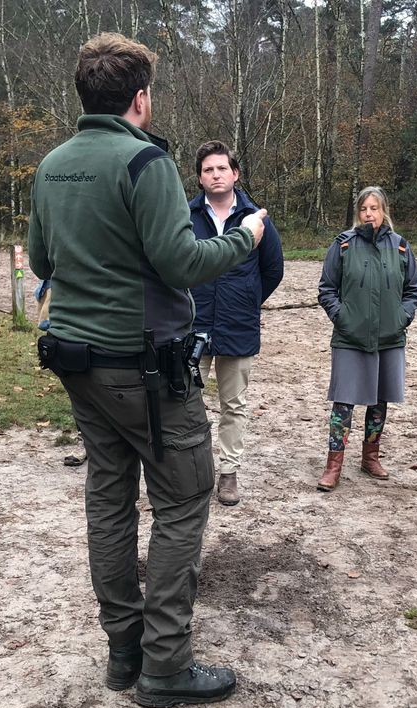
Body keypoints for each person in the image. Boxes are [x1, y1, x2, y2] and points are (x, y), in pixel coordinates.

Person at [26, 32, 267, 708]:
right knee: (186, 494)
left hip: (76, 361)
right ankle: (164, 664)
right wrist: (242, 238)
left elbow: (43, 261)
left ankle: (122, 650)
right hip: (145, 370)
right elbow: (183, 263)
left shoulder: (51, 166)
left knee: (107, 499)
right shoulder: (144, 164)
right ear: (140, 98)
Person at [188, 140, 284, 507]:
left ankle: (228, 473)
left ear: (235, 174)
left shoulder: (256, 219)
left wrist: (246, 301)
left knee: (233, 404)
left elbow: (272, 269)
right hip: (193, 326)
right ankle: (192, 472)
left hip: (238, 326)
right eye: (208, 169)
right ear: (200, 178)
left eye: (221, 168)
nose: (215, 174)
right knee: (186, 402)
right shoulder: (186, 215)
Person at [315, 186, 417, 491]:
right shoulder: (344, 246)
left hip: (389, 338)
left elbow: (413, 289)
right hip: (350, 337)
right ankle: (333, 465)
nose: (369, 214)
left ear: (384, 210)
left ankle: (370, 457)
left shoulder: (400, 247)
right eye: (364, 209)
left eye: (374, 208)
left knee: (379, 400)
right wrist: (342, 317)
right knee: (343, 403)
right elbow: (327, 289)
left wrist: (401, 318)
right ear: (357, 213)